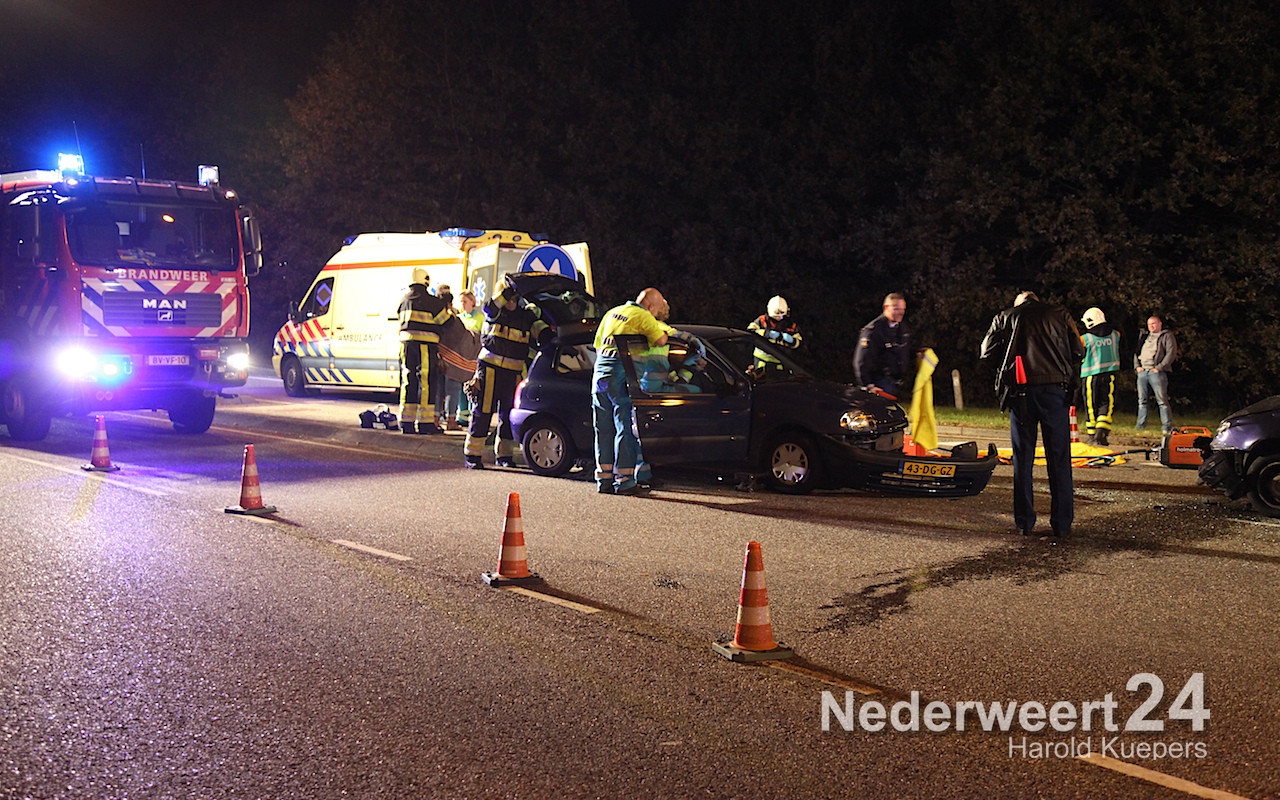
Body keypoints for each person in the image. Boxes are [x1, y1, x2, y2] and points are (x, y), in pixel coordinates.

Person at [980, 291, 1084, 538]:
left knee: (1023, 459)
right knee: (1059, 459)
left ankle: (1024, 522)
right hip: (1055, 391)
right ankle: (1062, 523)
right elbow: (1079, 351)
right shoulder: (1060, 314)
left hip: (1021, 392)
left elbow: (986, 352)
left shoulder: (1005, 317)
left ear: (1019, 303)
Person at [463, 276, 548, 469]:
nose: (510, 302)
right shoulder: (494, 312)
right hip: (490, 370)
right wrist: (509, 290)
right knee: (483, 412)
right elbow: (490, 307)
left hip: (514, 372)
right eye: (507, 298)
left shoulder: (526, 316)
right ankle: (472, 455)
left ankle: (504, 456)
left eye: (514, 298)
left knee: (508, 415)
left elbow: (542, 332)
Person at [593, 288, 669, 495]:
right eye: (657, 309)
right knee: (624, 427)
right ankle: (624, 481)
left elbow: (598, 346)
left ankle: (604, 480)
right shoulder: (643, 316)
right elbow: (661, 340)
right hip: (621, 374)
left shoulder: (613, 312)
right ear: (651, 306)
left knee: (602, 428)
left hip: (599, 374)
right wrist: (665, 332)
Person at [397, 267, 451, 435]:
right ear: (426, 282)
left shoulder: (403, 301)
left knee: (408, 380)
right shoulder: (432, 302)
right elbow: (447, 322)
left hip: (405, 346)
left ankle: (406, 421)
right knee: (426, 382)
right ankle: (425, 423)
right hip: (425, 346)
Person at [853, 293, 912, 400]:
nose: (901, 312)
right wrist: (868, 385)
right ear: (886, 308)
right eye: (896, 309)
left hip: (894, 382)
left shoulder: (902, 328)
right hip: (878, 383)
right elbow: (861, 361)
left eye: (902, 309)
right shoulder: (873, 331)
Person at [1079, 307, 1122, 446]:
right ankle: (1101, 432)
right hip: (1110, 374)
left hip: (1090, 376)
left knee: (1091, 405)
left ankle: (1092, 435)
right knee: (1107, 403)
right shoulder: (1116, 334)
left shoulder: (1085, 339)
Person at [1134, 315, 1178, 435]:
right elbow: (1137, 351)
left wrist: (1159, 368)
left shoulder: (1166, 336)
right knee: (1142, 400)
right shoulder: (1144, 336)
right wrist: (1137, 366)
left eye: (1153, 323)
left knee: (1162, 400)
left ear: (1160, 324)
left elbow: (1171, 353)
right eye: (1149, 324)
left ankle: (1166, 426)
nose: (1151, 326)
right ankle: (1140, 426)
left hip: (1156, 372)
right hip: (1143, 371)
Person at [453, 290, 484, 429]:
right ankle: (462, 416)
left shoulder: (480, 318)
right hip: (461, 358)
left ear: (473, 302)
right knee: (461, 386)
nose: (462, 304)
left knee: (473, 386)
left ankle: (473, 416)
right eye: (461, 302)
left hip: (474, 358)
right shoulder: (458, 318)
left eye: (465, 301)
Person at [747, 296, 802, 374]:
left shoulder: (789, 324)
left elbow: (799, 343)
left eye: (782, 314)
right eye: (777, 315)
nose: (779, 317)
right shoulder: (762, 320)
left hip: (781, 362)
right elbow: (750, 331)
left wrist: (792, 341)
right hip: (762, 360)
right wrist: (767, 333)